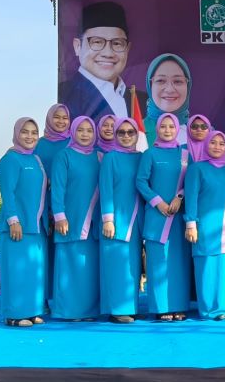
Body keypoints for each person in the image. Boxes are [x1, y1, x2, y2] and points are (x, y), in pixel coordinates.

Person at [136, 113, 191, 322]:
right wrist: (157, 202)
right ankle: (161, 307)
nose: (167, 130)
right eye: (163, 126)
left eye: (171, 126)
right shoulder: (150, 154)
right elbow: (141, 181)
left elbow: (191, 182)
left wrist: (180, 197)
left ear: (177, 129)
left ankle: (179, 306)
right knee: (158, 263)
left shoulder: (185, 155)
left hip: (177, 217)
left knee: (178, 263)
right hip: (156, 216)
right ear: (157, 129)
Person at [184, 130, 225, 320]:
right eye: (213, 142)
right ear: (206, 144)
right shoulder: (197, 168)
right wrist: (191, 223)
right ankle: (210, 310)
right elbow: (191, 197)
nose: (217, 147)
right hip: (206, 227)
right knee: (208, 267)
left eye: (221, 143)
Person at [59, 1, 147, 125]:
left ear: (127, 49)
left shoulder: (143, 101)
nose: (108, 53)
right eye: (97, 42)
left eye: (117, 43)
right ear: (77, 46)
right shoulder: (64, 95)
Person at [0, 118, 48, 327]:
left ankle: (31, 311)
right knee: (16, 271)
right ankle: (15, 315)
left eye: (34, 132)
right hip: (17, 226)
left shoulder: (36, 160)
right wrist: (13, 220)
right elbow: (7, 192)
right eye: (25, 132)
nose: (30, 136)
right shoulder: (10, 159)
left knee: (32, 270)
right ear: (16, 134)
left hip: (35, 226)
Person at [51, 116, 101, 321]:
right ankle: (68, 311)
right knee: (69, 265)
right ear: (73, 132)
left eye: (89, 130)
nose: (85, 134)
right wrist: (59, 216)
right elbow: (58, 188)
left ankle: (89, 311)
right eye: (80, 130)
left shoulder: (99, 157)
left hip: (94, 222)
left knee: (88, 267)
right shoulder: (64, 156)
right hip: (70, 219)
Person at [99, 118, 144, 323]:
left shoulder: (141, 157)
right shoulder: (111, 158)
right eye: (121, 132)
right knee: (116, 264)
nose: (126, 136)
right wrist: (108, 219)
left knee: (131, 266)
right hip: (116, 220)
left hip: (136, 220)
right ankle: (116, 310)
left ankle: (130, 307)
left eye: (130, 132)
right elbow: (105, 189)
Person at [34, 103, 71, 307]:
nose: (61, 121)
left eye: (65, 118)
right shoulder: (39, 144)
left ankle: (63, 298)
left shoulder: (73, 142)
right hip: (41, 204)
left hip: (66, 206)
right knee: (44, 253)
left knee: (63, 253)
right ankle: (43, 298)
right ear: (49, 119)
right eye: (57, 117)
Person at [142, 54, 192, 147]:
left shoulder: (205, 133)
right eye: (160, 80)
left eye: (178, 81)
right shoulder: (133, 132)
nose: (170, 89)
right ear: (150, 85)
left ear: (188, 85)